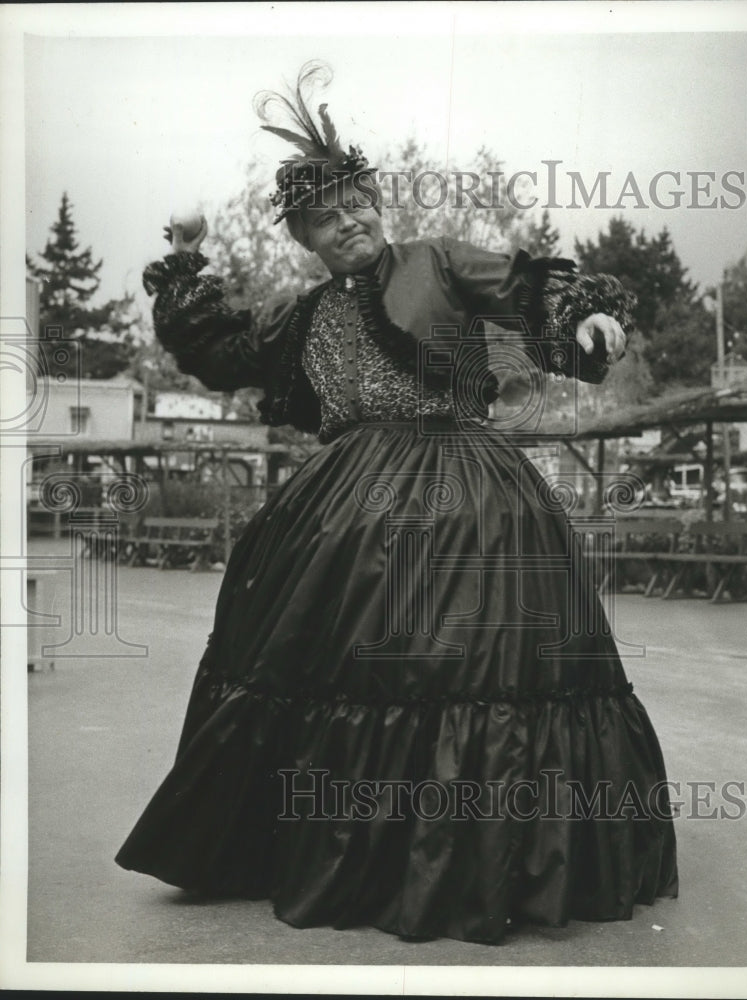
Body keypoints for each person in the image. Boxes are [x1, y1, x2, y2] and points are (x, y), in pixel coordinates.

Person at [116, 64, 677, 944]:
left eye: (357, 203)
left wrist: (584, 321)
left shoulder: (438, 262)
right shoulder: (300, 317)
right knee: (313, 653)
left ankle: (480, 860)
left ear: (377, 199)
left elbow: (526, 287)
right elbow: (219, 349)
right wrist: (186, 255)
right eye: (326, 217)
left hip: (467, 493)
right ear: (305, 236)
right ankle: (348, 845)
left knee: (479, 662)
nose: (349, 222)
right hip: (341, 510)